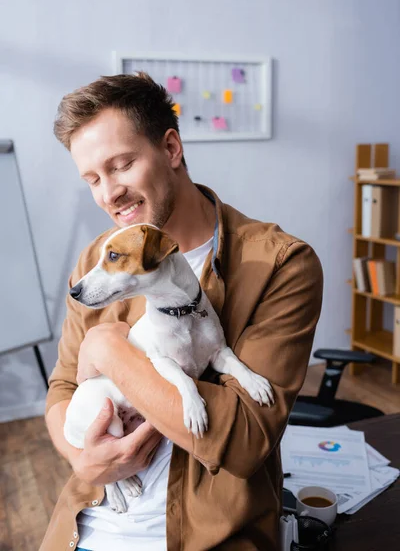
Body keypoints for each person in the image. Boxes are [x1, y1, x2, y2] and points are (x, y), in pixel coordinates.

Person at [41, 72, 323, 551]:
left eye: (122, 165)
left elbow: (245, 439)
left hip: (206, 538)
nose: (109, 194)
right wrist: (81, 459)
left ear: (171, 148)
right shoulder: (94, 263)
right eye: (92, 178)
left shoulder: (280, 264)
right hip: (85, 527)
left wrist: (108, 350)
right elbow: (63, 390)